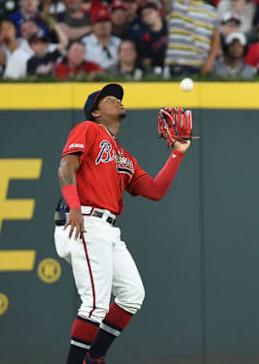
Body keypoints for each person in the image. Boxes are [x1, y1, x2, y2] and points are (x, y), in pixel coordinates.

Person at [55, 83, 191, 364]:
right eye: (109, 98)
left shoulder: (123, 156)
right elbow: (66, 167)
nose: (118, 101)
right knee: (94, 305)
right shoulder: (89, 129)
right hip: (83, 219)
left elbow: (154, 190)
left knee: (131, 295)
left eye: (119, 98)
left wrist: (177, 152)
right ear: (95, 111)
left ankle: (93, 358)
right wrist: (75, 206)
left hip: (106, 228)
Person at [154, 0, 220, 76]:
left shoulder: (211, 10)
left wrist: (210, 61)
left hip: (200, 67)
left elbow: (215, 39)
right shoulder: (175, 3)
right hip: (177, 66)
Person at [127, 2, 168, 70]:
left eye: (149, 12)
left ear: (157, 12)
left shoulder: (169, 26)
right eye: (144, 15)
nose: (147, 16)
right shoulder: (143, 36)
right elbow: (146, 61)